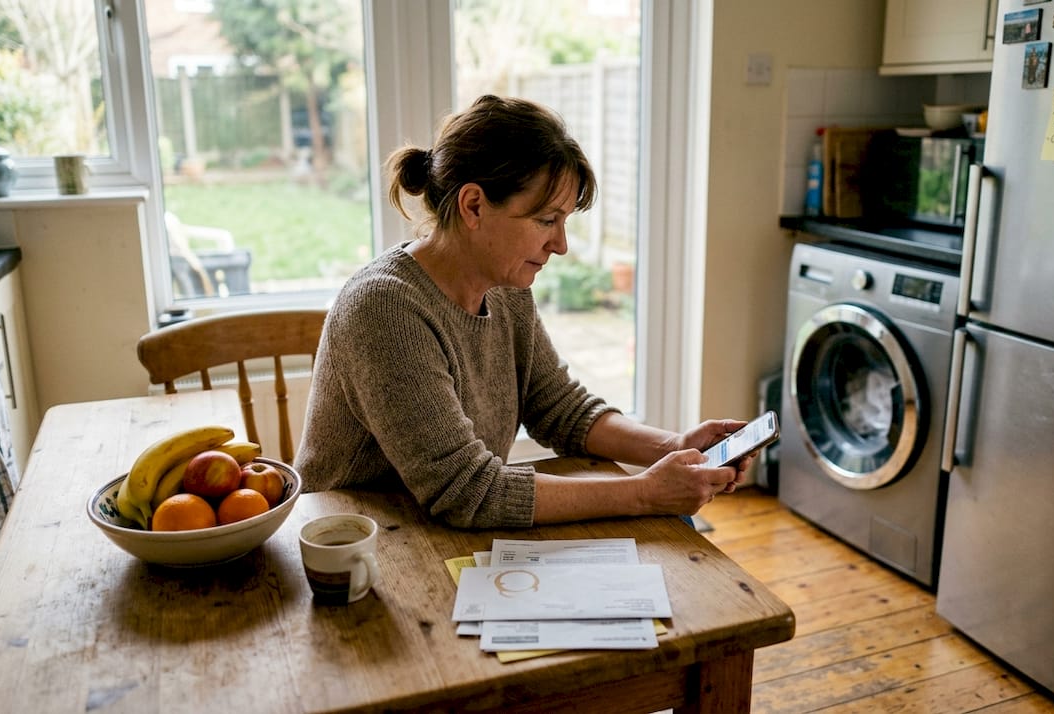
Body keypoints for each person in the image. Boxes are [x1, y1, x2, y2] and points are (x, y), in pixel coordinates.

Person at [296, 94, 757, 528]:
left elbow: (560, 409)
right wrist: (643, 493)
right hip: (352, 553)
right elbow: (466, 491)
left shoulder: (505, 286)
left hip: (435, 536)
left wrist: (674, 445)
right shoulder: (384, 308)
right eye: (546, 220)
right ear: (473, 205)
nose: (560, 245)